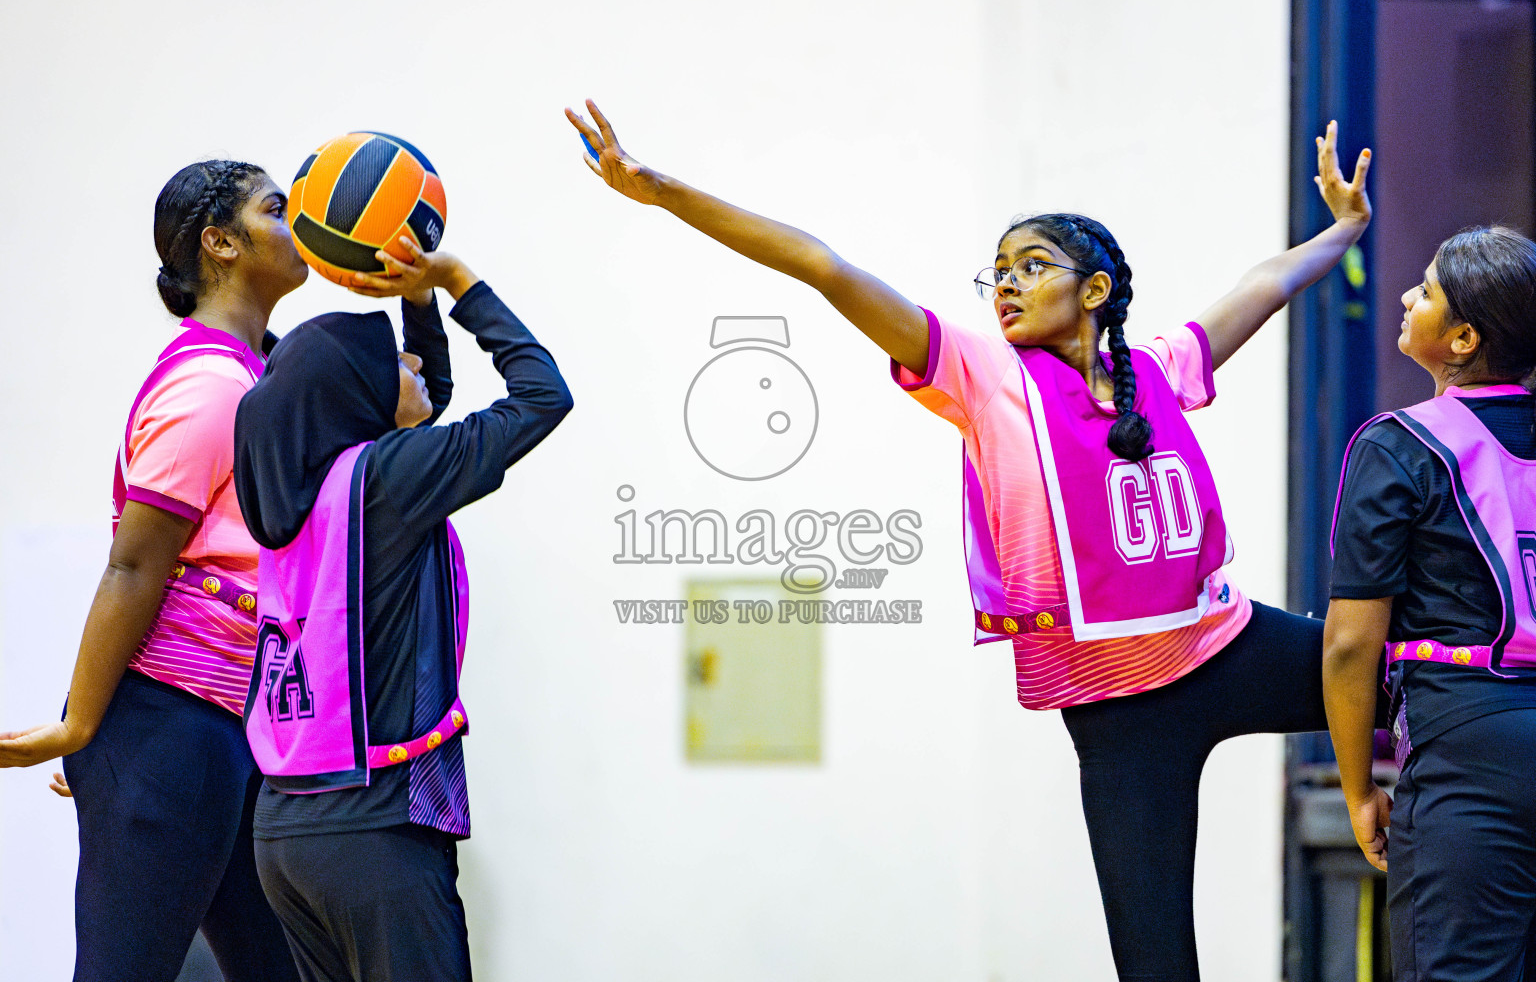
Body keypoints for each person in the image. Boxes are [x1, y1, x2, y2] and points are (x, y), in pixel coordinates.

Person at [567, 100, 1377, 980]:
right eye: (996, 272)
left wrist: (1343, 230)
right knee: (1155, 967)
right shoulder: (984, 377)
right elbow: (824, 268)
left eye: (1032, 265)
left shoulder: (1159, 368)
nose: (1006, 284)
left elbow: (1265, 285)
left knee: (1411, 674)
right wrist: (664, 192)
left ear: (1095, 290)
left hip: (1223, 645)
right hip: (1118, 713)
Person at [232, 235, 572, 981]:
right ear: (358, 397)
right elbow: (544, 396)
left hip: (283, 834)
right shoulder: (389, 480)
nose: (415, 364)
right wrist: (457, 280)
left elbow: (425, 405)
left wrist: (415, 302)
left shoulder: (306, 489)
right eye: (396, 362)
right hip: (373, 828)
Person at [0, 160, 304, 981]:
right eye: (276, 208)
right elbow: (133, 568)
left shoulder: (261, 374)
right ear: (222, 243)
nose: (297, 218)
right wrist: (83, 729)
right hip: (166, 722)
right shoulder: (209, 386)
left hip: (235, 729)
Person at [1323, 226, 1536, 982]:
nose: (1408, 298)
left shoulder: (1399, 445)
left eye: (1427, 290)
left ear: (1463, 338)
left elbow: (1351, 644)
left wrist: (1357, 792)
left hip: (1467, 744)